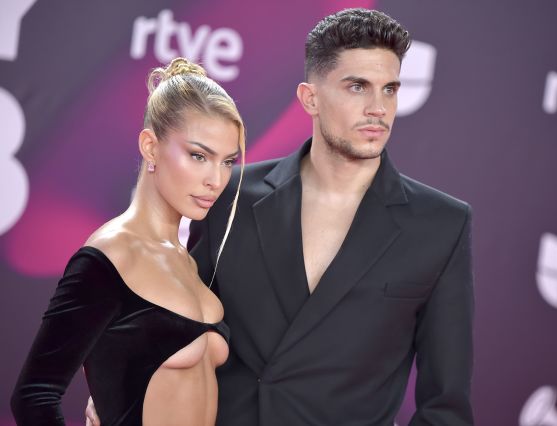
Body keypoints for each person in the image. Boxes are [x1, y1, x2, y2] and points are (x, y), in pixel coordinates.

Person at [88, 7, 474, 426]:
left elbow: (445, 405)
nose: (378, 108)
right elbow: (178, 323)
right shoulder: (231, 195)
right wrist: (125, 385)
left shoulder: (440, 225)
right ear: (310, 98)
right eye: (357, 86)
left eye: (390, 89)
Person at [11, 57, 246, 425]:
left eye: (227, 161)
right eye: (198, 156)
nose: (215, 180)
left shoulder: (187, 261)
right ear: (150, 147)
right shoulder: (111, 255)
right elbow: (34, 396)